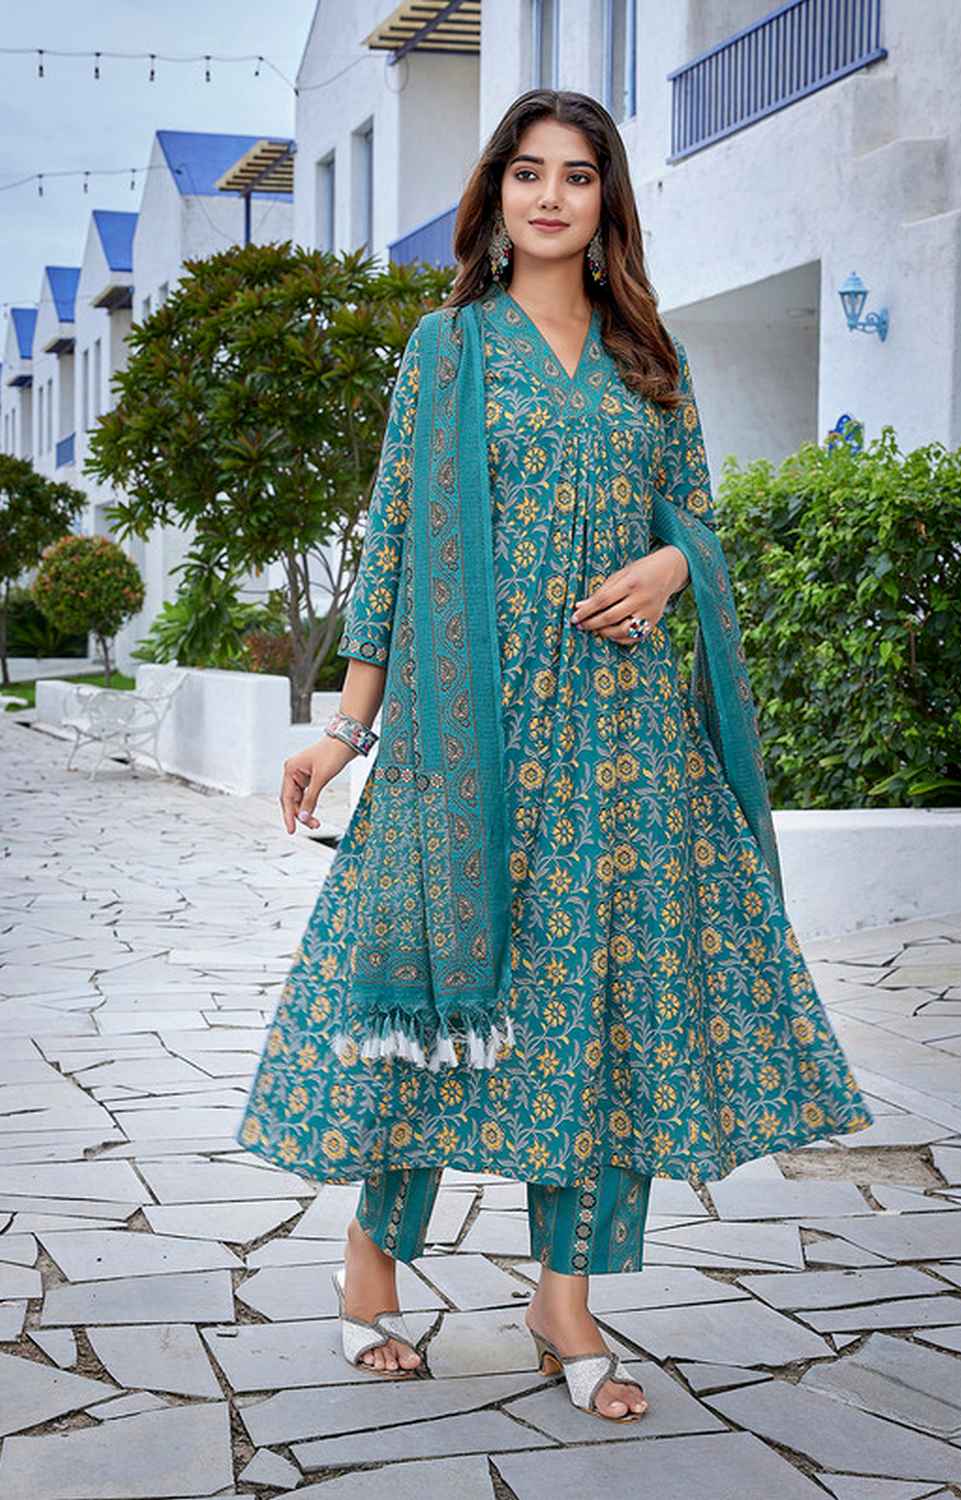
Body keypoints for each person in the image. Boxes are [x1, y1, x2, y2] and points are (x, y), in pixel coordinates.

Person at [238, 88, 873, 1423]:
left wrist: (670, 567)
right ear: (497, 193)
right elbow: (396, 544)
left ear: (605, 202)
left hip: (622, 745)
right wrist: (347, 730)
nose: (549, 196)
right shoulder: (448, 348)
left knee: (601, 1009)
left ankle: (564, 1298)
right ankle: (372, 1264)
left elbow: (694, 519)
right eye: (527, 172)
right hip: (470, 739)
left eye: (577, 176)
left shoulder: (652, 356)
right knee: (434, 1003)